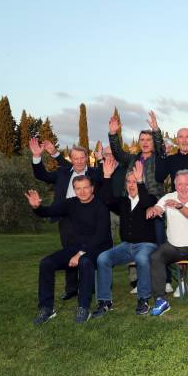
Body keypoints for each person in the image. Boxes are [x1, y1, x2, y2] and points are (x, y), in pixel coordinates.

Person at [25, 176, 112, 324]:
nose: (82, 191)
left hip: (100, 248)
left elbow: (100, 236)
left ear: (92, 188)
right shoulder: (71, 203)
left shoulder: (100, 206)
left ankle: (83, 308)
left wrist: (79, 254)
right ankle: (47, 308)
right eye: (78, 188)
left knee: (84, 262)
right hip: (78, 247)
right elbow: (48, 212)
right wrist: (37, 207)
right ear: (74, 190)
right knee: (46, 263)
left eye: (85, 187)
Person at [30, 139, 102, 301]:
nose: (79, 161)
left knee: (87, 250)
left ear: (86, 158)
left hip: (89, 216)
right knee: (69, 250)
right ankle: (71, 288)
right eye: (75, 158)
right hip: (66, 216)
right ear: (71, 159)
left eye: (82, 158)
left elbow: (105, 180)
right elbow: (42, 175)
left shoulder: (95, 173)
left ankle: (88, 285)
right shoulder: (63, 173)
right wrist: (36, 157)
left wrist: (55, 153)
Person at [92, 159, 158, 318]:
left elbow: (146, 202)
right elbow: (106, 199)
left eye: (134, 181)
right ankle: (105, 301)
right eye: (128, 181)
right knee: (103, 258)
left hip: (146, 246)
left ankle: (143, 299)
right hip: (127, 246)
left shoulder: (150, 199)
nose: (131, 184)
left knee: (142, 259)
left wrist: (141, 181)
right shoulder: (123, 202)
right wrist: (107, 177)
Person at [146, 170, 188, 315]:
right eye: (179, 184)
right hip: (173, 246)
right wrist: (153, 209)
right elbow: (158, 207)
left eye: (187, 184)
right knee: (156, 257)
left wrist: (179, 206)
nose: (183, 187)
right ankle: (161, 300)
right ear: (175, 184)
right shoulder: (168, 197)